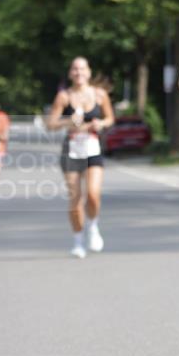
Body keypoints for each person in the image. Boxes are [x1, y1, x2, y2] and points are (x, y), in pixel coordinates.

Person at [47, 57, 115, 258]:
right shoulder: (64, 97)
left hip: (92, 148)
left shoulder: (100, 94)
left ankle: (93, 226)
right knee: (75, 199)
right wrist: (68, 120)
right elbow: (50, 124)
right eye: (75, 69)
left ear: (89, 72)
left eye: (82, 68)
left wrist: (100, 124)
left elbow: (110, 118)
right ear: (70, 73)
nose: (79, 72)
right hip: (71, 149)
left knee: (93, 195)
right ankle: (78, 241)